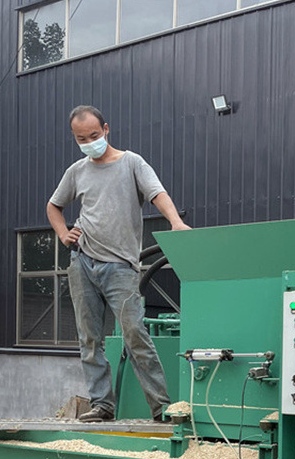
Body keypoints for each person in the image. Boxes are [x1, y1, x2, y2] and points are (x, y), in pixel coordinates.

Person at [47, 105, 190, 423]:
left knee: (135, 333)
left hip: (121, 266)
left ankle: (161, 407)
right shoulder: (76, 171)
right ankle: (102, 405)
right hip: (82, 261)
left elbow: (157, 193)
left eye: (94, 136)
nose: (89, 142)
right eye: (81, 138)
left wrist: (176, 222)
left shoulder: (132, 163)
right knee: (89, 339)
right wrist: (62, 233)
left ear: (106, 129)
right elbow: (54, 205)